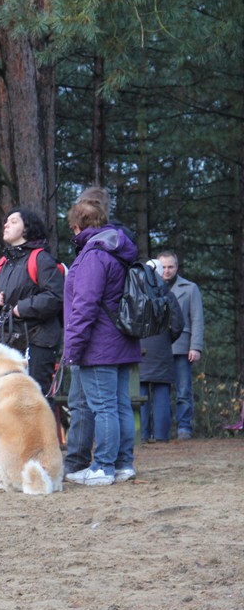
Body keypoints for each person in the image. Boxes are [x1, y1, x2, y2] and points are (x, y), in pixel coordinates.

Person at [62, 198, 141, 486]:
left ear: (76, 226)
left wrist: (72, 348)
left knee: (105, 407)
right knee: (119, 405)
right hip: (121, 340)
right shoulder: (118, 250)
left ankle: (102, 468)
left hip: (99, 345)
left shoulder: (93, 255)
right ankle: (123, 464)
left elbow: (84, 307)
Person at [0, 208, 64, 395]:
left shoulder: (41, 258)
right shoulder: (4, 262)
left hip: (39, 342)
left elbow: (55, 296)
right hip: (10, 340)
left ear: (26, 229)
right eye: (6, 221)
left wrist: (22, 309)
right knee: (9, 395)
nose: (6, 224)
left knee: (37, 398)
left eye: (14, 221)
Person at [157, 251, 204, 440]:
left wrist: (196, 347)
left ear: (176, 267)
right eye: (164, 267)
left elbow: (197, 319)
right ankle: (162, 431)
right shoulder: (151, 288)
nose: (167, 271)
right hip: (158, 348)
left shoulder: (190, 288)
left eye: (171, 267)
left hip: (183, 347)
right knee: (161, 392)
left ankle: (184, 428)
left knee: (184, 390)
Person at [140, 259, 185, 442]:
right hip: (162, 348)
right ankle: (160, 437)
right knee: (161, 394)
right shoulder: (168, 294)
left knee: (140, 393)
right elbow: (178, 324)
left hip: (140, 348)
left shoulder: (136, 293)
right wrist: (167, 339)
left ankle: (141, 435)